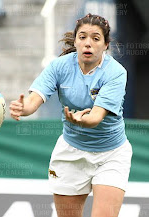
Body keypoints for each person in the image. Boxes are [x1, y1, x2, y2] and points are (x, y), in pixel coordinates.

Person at [10, 13, 132, 217]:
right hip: (71, 152)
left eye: (95, 38)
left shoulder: (116, 72)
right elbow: (33, 101)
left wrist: (81, 121)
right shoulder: (59, 66)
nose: (88, 44)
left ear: (105, 44)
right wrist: (24, 109)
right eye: (82, 37)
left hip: (111, 155)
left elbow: (94, 118)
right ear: (75, 40)